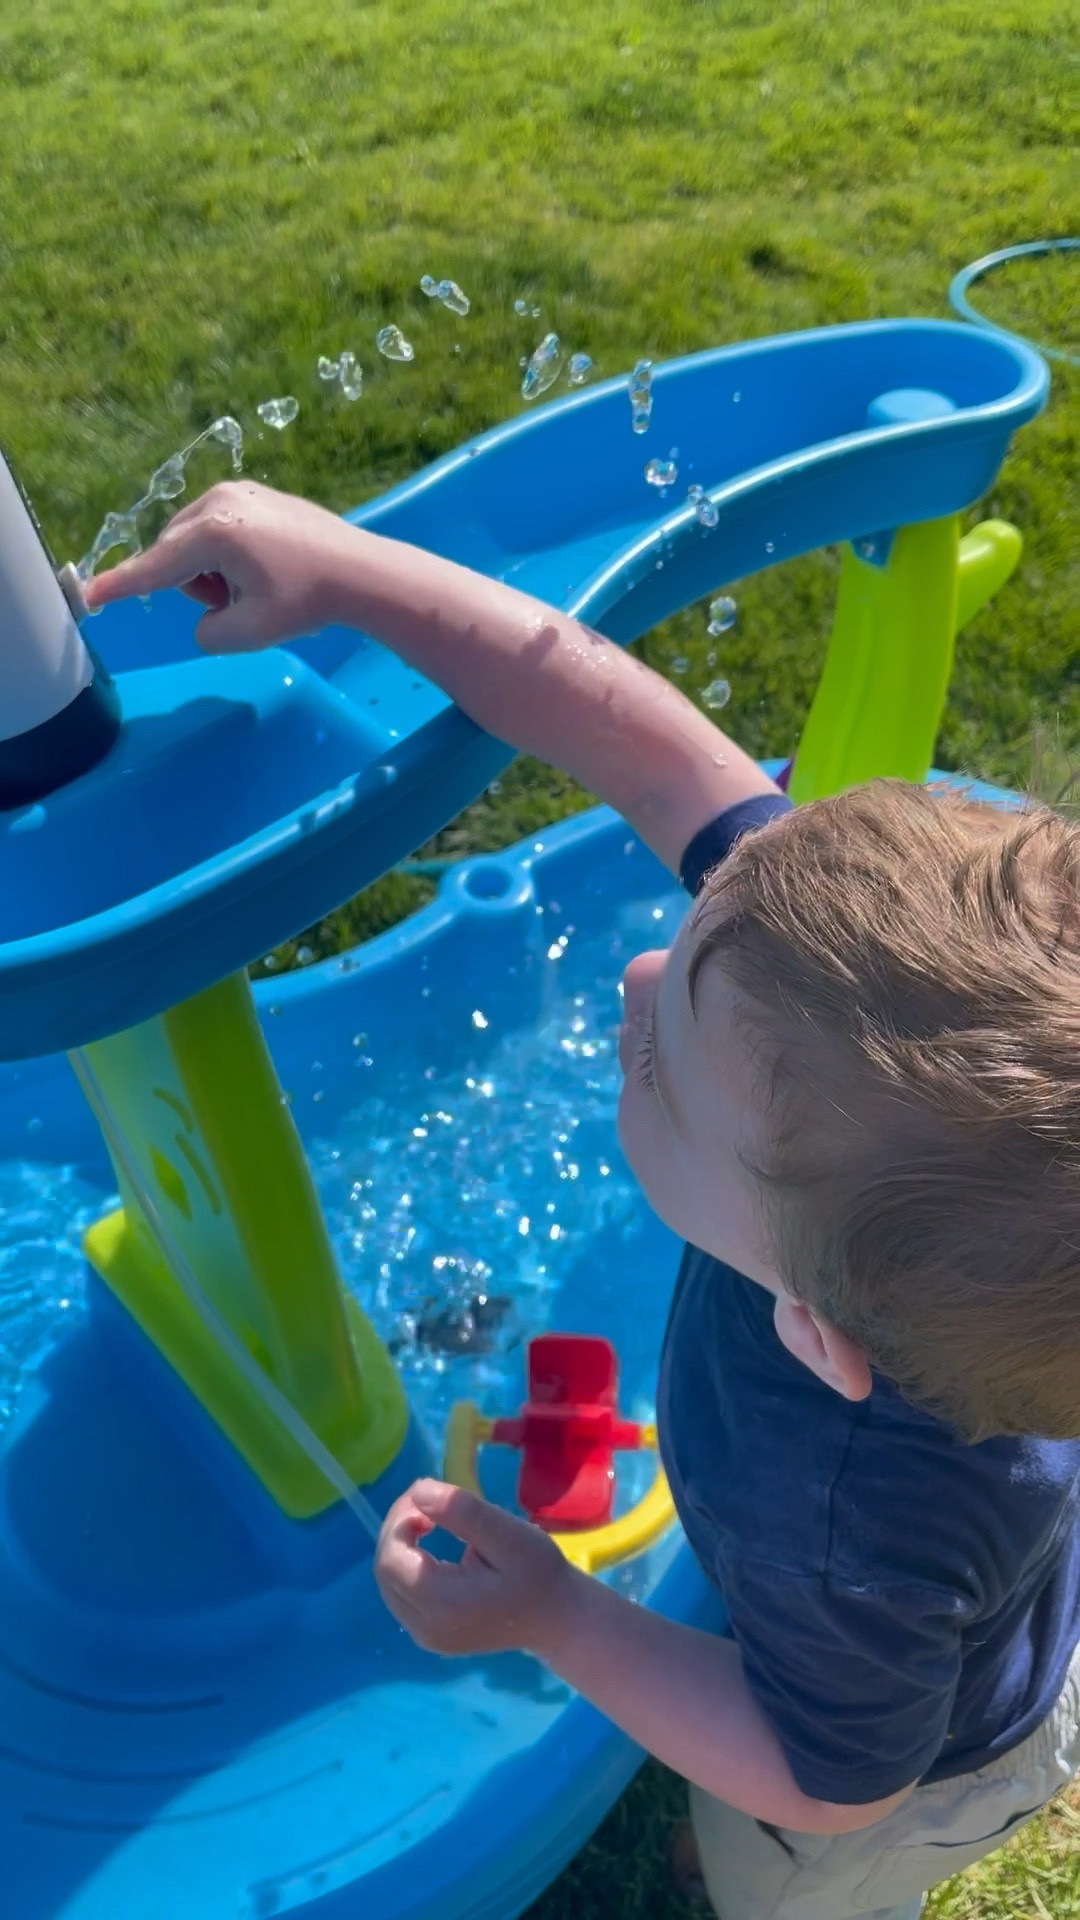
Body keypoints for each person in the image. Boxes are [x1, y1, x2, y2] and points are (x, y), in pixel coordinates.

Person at [87, 481, 1080, 1920]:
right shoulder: (806, 1003)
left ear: (812, 1336)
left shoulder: (850, 1516)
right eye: (689, 940)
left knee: (777, 1862)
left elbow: (830, 1777)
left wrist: (557, 1614)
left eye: (661, 1069)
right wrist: (350, 572)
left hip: (903, 1779)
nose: (633, 982)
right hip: (897, 1629)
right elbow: (612, 716)